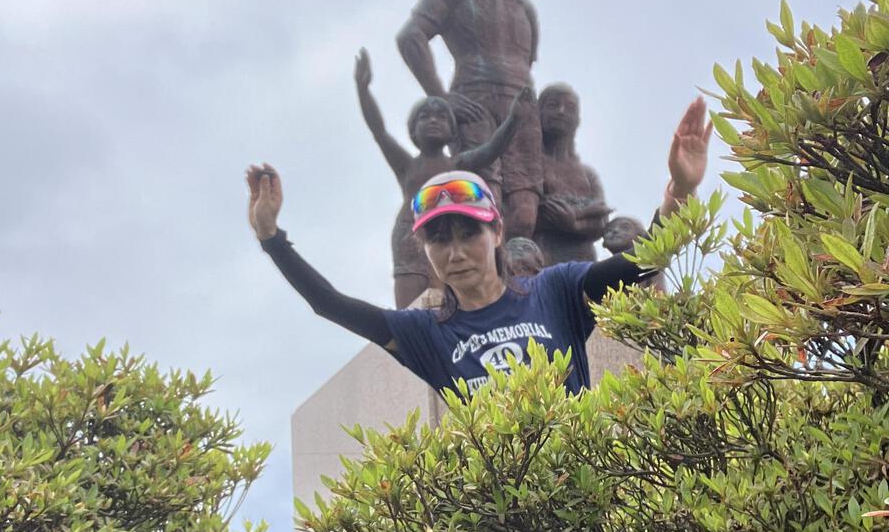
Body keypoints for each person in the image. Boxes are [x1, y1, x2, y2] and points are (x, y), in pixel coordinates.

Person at [247, 97, 712, 397]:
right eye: (438, 238)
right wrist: (272, 238)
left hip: (579, 512)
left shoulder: (556, 291)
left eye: (469, 233)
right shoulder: (424, 332)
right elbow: (329, 304)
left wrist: (680, 191)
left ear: (497, 233)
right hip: (497, 531)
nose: (455, 251)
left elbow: (643, 259)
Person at [396, 0, 543, 239]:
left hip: (520, 103)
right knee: (482, 198)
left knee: (525, 210)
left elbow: (528, 59)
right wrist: (441, 96)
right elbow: (411, 38)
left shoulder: (522, 4)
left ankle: (524, 279)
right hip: (473, 100)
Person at [354, 46, 528, 307]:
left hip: (446, 234)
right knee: (410, 304)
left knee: (445, 298)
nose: (433, 121)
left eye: (441, 117)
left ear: (452, 130)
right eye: (425, 117)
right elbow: (379, 131)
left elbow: (492, 149)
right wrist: (363, 89)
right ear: (413, 130)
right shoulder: (406, 165)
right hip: (408, 234)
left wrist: (514, 119)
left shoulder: (458, 163)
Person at [534, 83, 612, 265]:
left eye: (570, 108)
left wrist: (574, 223)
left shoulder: (587, 174)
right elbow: (524, 212)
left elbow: (602, 220)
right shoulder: (529, 163)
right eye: (553, 105)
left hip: (582, 263)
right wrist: (584, 211)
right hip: (541, 260)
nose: (561, 112)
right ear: (539, 112)